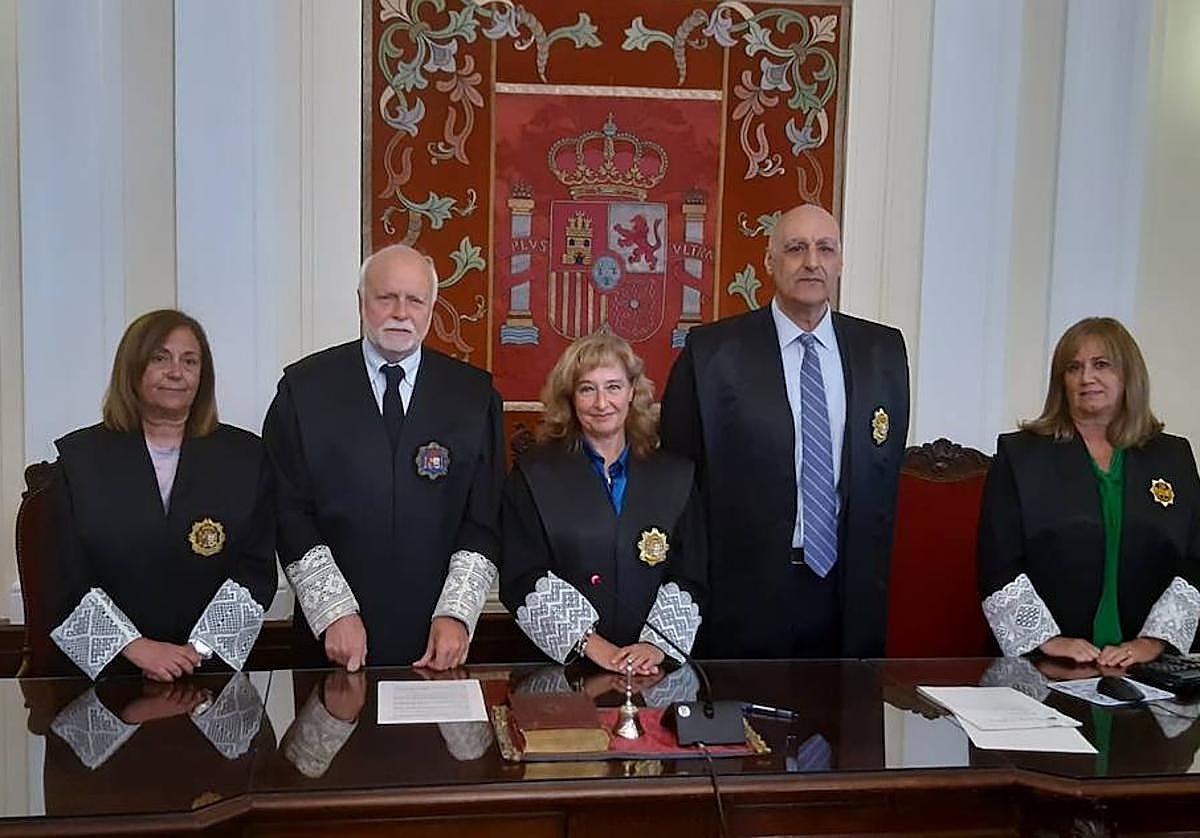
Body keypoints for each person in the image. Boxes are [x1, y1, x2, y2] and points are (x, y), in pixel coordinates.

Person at [660, 203, 910, 658]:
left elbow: (883, 475)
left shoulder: (883, 351)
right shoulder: (712, 354)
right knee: (750, 728)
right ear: (769, 262)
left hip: (850, 596)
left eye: (825, 249)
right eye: (796, 248)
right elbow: (678, 482)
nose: (812, 261)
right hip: (744, 596)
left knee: (847, 726)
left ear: (839, 262)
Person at [263, 244, 503, 671]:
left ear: (432, 308)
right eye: (386, 297)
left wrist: (456, 614)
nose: (400, 312)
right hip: (332, 640)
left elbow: (483, 518)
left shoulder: (473, 396)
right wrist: (334, 612)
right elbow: (287, 511)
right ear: (361, 302)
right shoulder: (304, 390)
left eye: (415, 300)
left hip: (438, 640)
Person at [48, 310, 276, 681]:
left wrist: (197, 651)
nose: (176, 372)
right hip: (108, 677)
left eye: (190, 361)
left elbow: (255, 569)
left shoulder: (246, 458)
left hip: (208, 673)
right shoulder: (80, 460)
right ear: (132, 368)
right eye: (160, 358)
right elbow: (64, 575)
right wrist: (136, 648)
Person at [978, 316, 1200, 665]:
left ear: (1129, 375)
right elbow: (998, 561)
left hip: (1147, 666)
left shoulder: (1173, 457)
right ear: (1061, 382)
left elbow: (1194, 560)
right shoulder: (1021, 455)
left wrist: (1153, 643)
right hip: (1049, 663)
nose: (1086, 378)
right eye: (1073, 367)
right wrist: (1048, 640)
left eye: (1102, 365)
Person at [501, 333, 706, 674]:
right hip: (561, 673)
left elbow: (690, 573)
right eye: (587, 389)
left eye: (613, 386)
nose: (601, 403)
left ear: (632, 393)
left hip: (650, 671)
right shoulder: (533, 474)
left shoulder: (675, 475)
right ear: (570, 398)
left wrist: (655, 646)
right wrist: (593, 645)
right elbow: (522, 574)